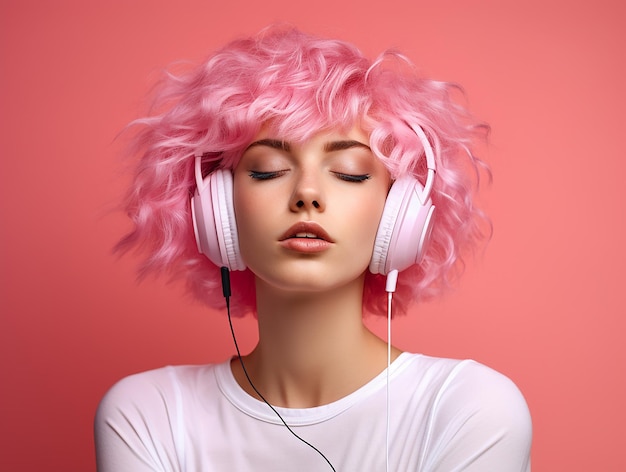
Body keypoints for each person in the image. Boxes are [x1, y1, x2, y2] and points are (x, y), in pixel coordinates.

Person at [95, 26, 532, 471]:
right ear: (217, 208)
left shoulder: (467, 409)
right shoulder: (150, 414)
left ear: (400, 214)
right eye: (267, 170)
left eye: (349, 172)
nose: (307, 194)